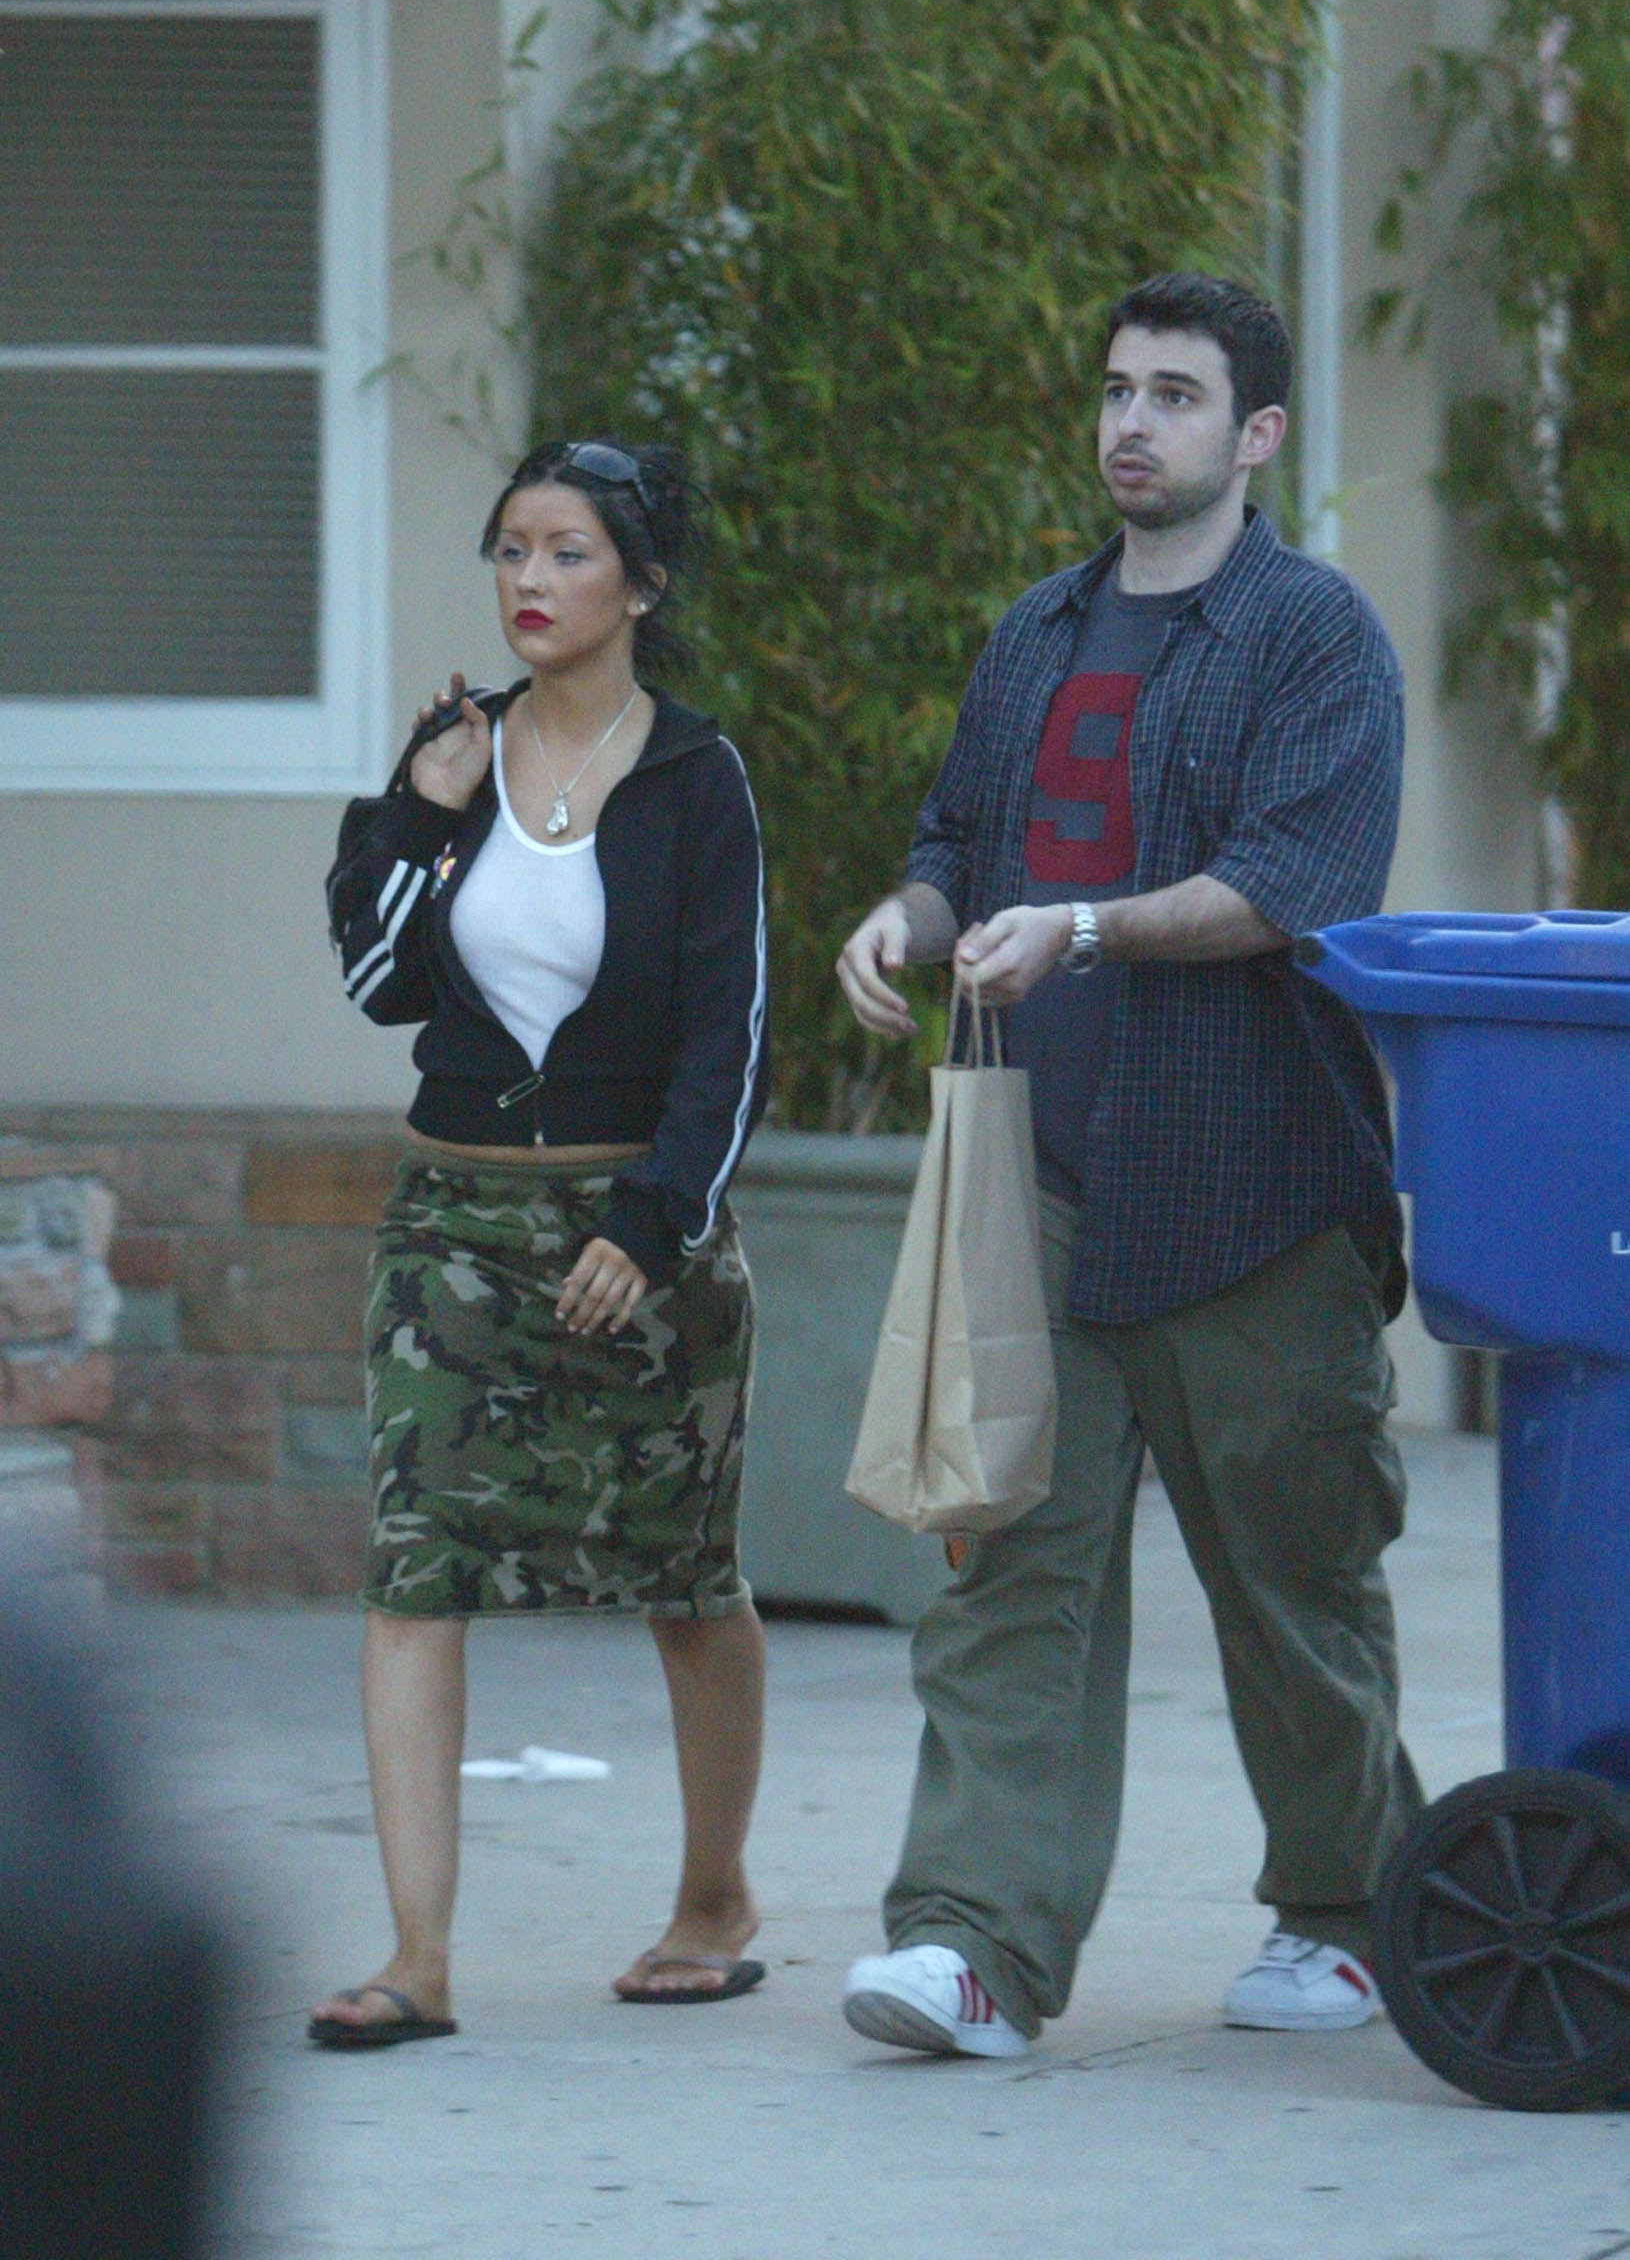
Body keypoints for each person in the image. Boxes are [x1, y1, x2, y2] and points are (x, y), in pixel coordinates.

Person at [834, 272, 1422, 2059]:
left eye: (1173, 395)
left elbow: (1291, 883)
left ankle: (1346, 1918)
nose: (1130, 424)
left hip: (1254, 1189)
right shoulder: (1036, 629)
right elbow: (959, 837)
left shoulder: (1314, 636)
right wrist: (907, 914)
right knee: (1010, 1572)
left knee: (1294, 1586)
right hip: (1039, 1177)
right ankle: (973, 1947)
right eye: (1113, 390)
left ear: (1255, 435)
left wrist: (1081, 927)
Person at [310, 439, 769, 2047]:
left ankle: (713, 1899)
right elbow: (377, 987)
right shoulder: (453, 751)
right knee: (413, 1570)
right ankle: (416, 1958)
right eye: (511, 549)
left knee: (686, 1581)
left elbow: (728, 1036)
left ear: (640, 584)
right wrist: (416, 815)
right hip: (453, 1228)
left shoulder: (696, 778)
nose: (529, 580)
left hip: (636, 1226)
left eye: (567, 552)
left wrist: (653, 1222)